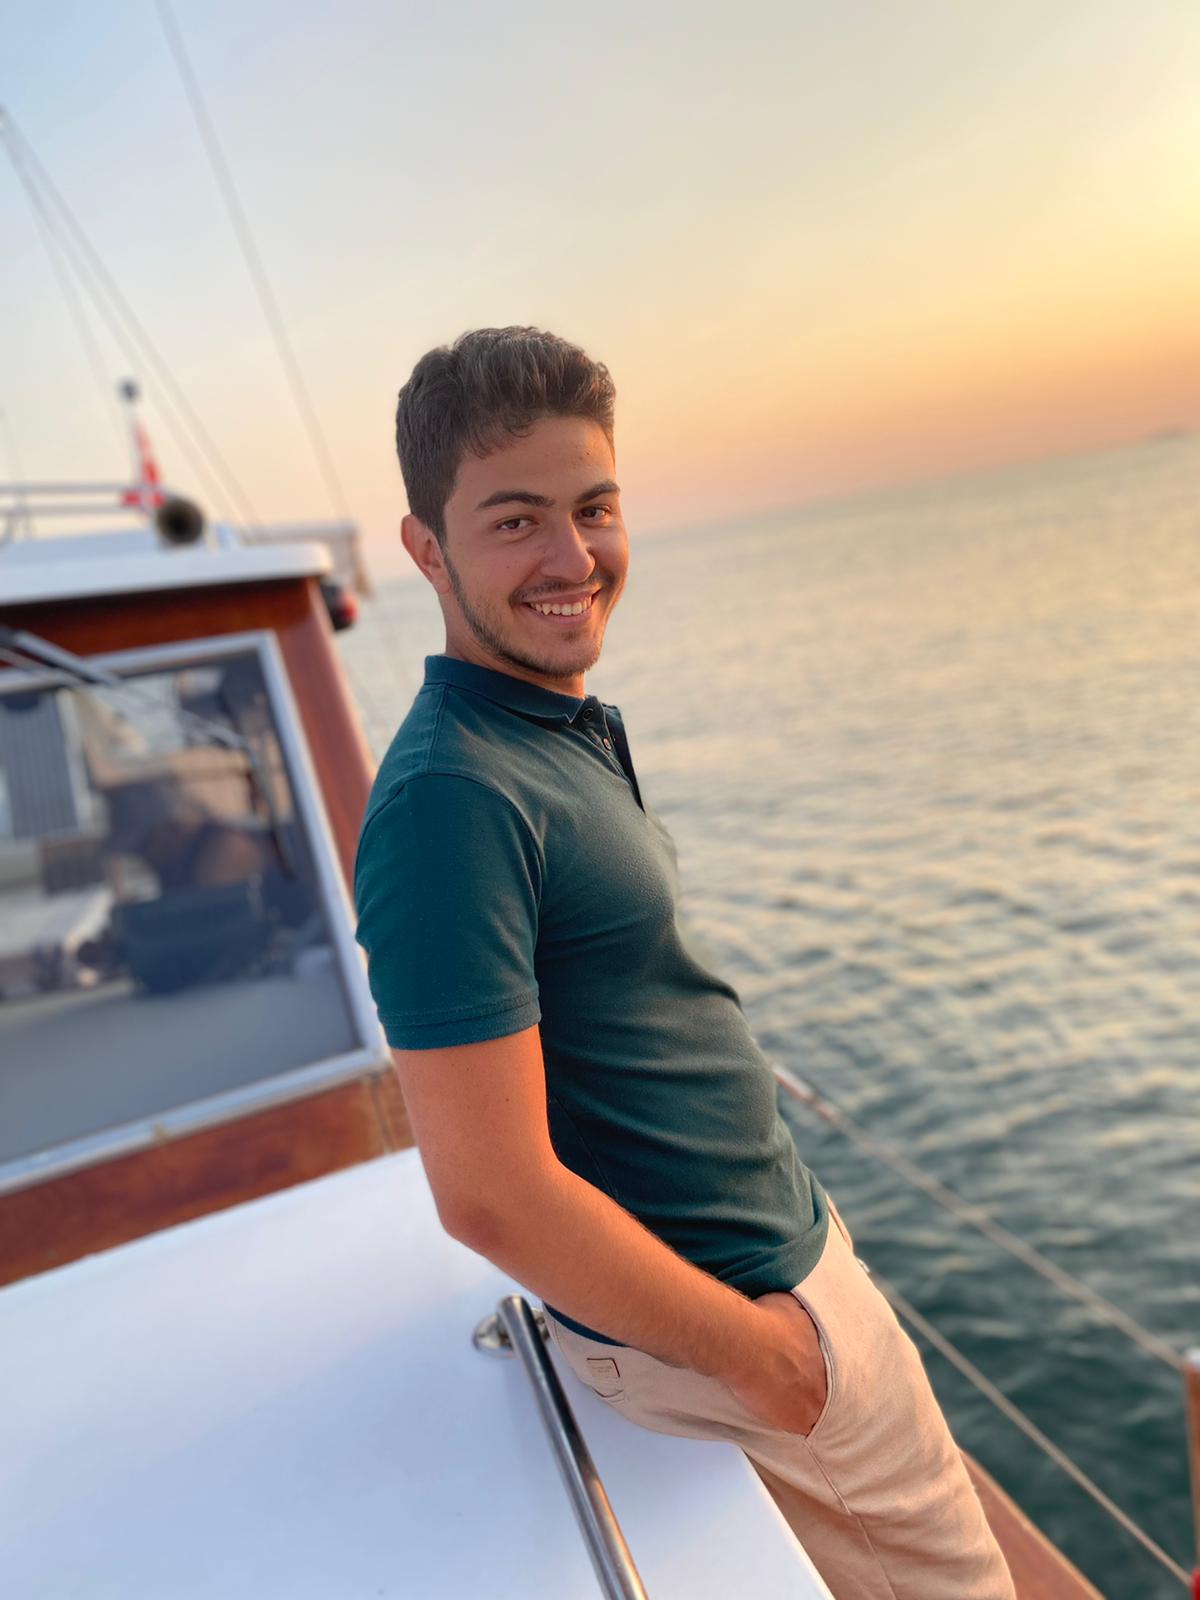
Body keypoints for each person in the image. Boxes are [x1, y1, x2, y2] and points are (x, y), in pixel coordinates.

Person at [354, 327, 1015, 1600]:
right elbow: (489, 1192)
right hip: (752, 1347)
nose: (572, 558)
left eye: (594, 508)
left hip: (773, 1288)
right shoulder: (451, 798)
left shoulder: (545, 726)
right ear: (426, 549)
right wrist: (771, 1361)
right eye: (515, 521)